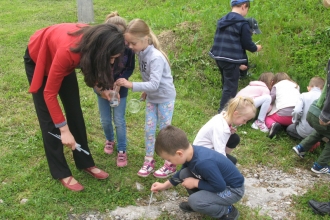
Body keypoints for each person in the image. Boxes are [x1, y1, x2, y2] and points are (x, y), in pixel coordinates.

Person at [23, 23, 125, 191]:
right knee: (49, 119)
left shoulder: (95, 43)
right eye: (111, 58)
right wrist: (64, 130)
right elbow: (49, 94)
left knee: (74, 111)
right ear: (101, 52)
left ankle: (85, 162)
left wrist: (103, 90)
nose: (112, 61)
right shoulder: (69, 51)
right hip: (40, 57)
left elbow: (91, 67)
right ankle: (61, 171)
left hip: (62, 56)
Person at [116, 19, 177, 178]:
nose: (130, 47)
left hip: (164, 98)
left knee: (165, 132)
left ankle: (170, 164)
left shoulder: (155, 57)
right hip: (152, 97)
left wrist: (131, 85)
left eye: (132, 43)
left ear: (145, 39)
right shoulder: (141, 53)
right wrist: (145, 91)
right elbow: (149, 80)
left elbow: (155, 84)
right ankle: (149, 160)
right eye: (128, 43)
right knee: (149, 130)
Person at [151, 125, 244, 220]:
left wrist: (196, 183)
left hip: (232, 190)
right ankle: (203, 201)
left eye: (169, 159)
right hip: (219, 183)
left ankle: (227, 210)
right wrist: (164, 185)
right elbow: (181, 174)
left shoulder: (203, 163)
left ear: (179, 153)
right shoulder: (190, 153)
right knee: (184, 174)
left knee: (194, 201)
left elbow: (220, 186)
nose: (169, 162)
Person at [94, 12, 135, 167]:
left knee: (119, 120)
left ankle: (122, 150)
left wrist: (119, 83)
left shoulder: (128, 50)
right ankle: (110, 140)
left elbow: (130, 67)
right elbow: (94, 71)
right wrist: (102, 88)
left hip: (120, 91)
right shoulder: (99, 50)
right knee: (105, 120)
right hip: (102, 90)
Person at [209, 0, 262, 113]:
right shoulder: (243, 23)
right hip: (230, 59)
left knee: (226, 82)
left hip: (218, 56)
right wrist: (255, 48)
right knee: (231, 88)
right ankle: (223, 113)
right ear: (244, 6)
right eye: (247, 9)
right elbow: (246, 43)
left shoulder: (223, 20)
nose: (246, 13)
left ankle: (224, 107)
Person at [292, 59, 330, 174]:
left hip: (313, 111)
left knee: (321, 131)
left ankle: (301, 147)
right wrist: (326, 115)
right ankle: (320, 165)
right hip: (324, 113)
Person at [193, 96, 256, 165]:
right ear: (236, 114)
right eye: (244, 120)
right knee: (231, 162)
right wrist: (226, 164)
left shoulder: (223, 116)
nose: (245, 123)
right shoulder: (220, 128)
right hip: (200, 155)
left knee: (234, 138)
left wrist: (229, 131)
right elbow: (220, 151)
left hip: (208, 149)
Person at [266, 72, 300, 139]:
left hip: (283, 116)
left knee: (268, 117)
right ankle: (287, 126)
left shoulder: (276, 86)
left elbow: (270, 99)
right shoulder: (296, 85)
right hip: (296, 117)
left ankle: (273, 124)